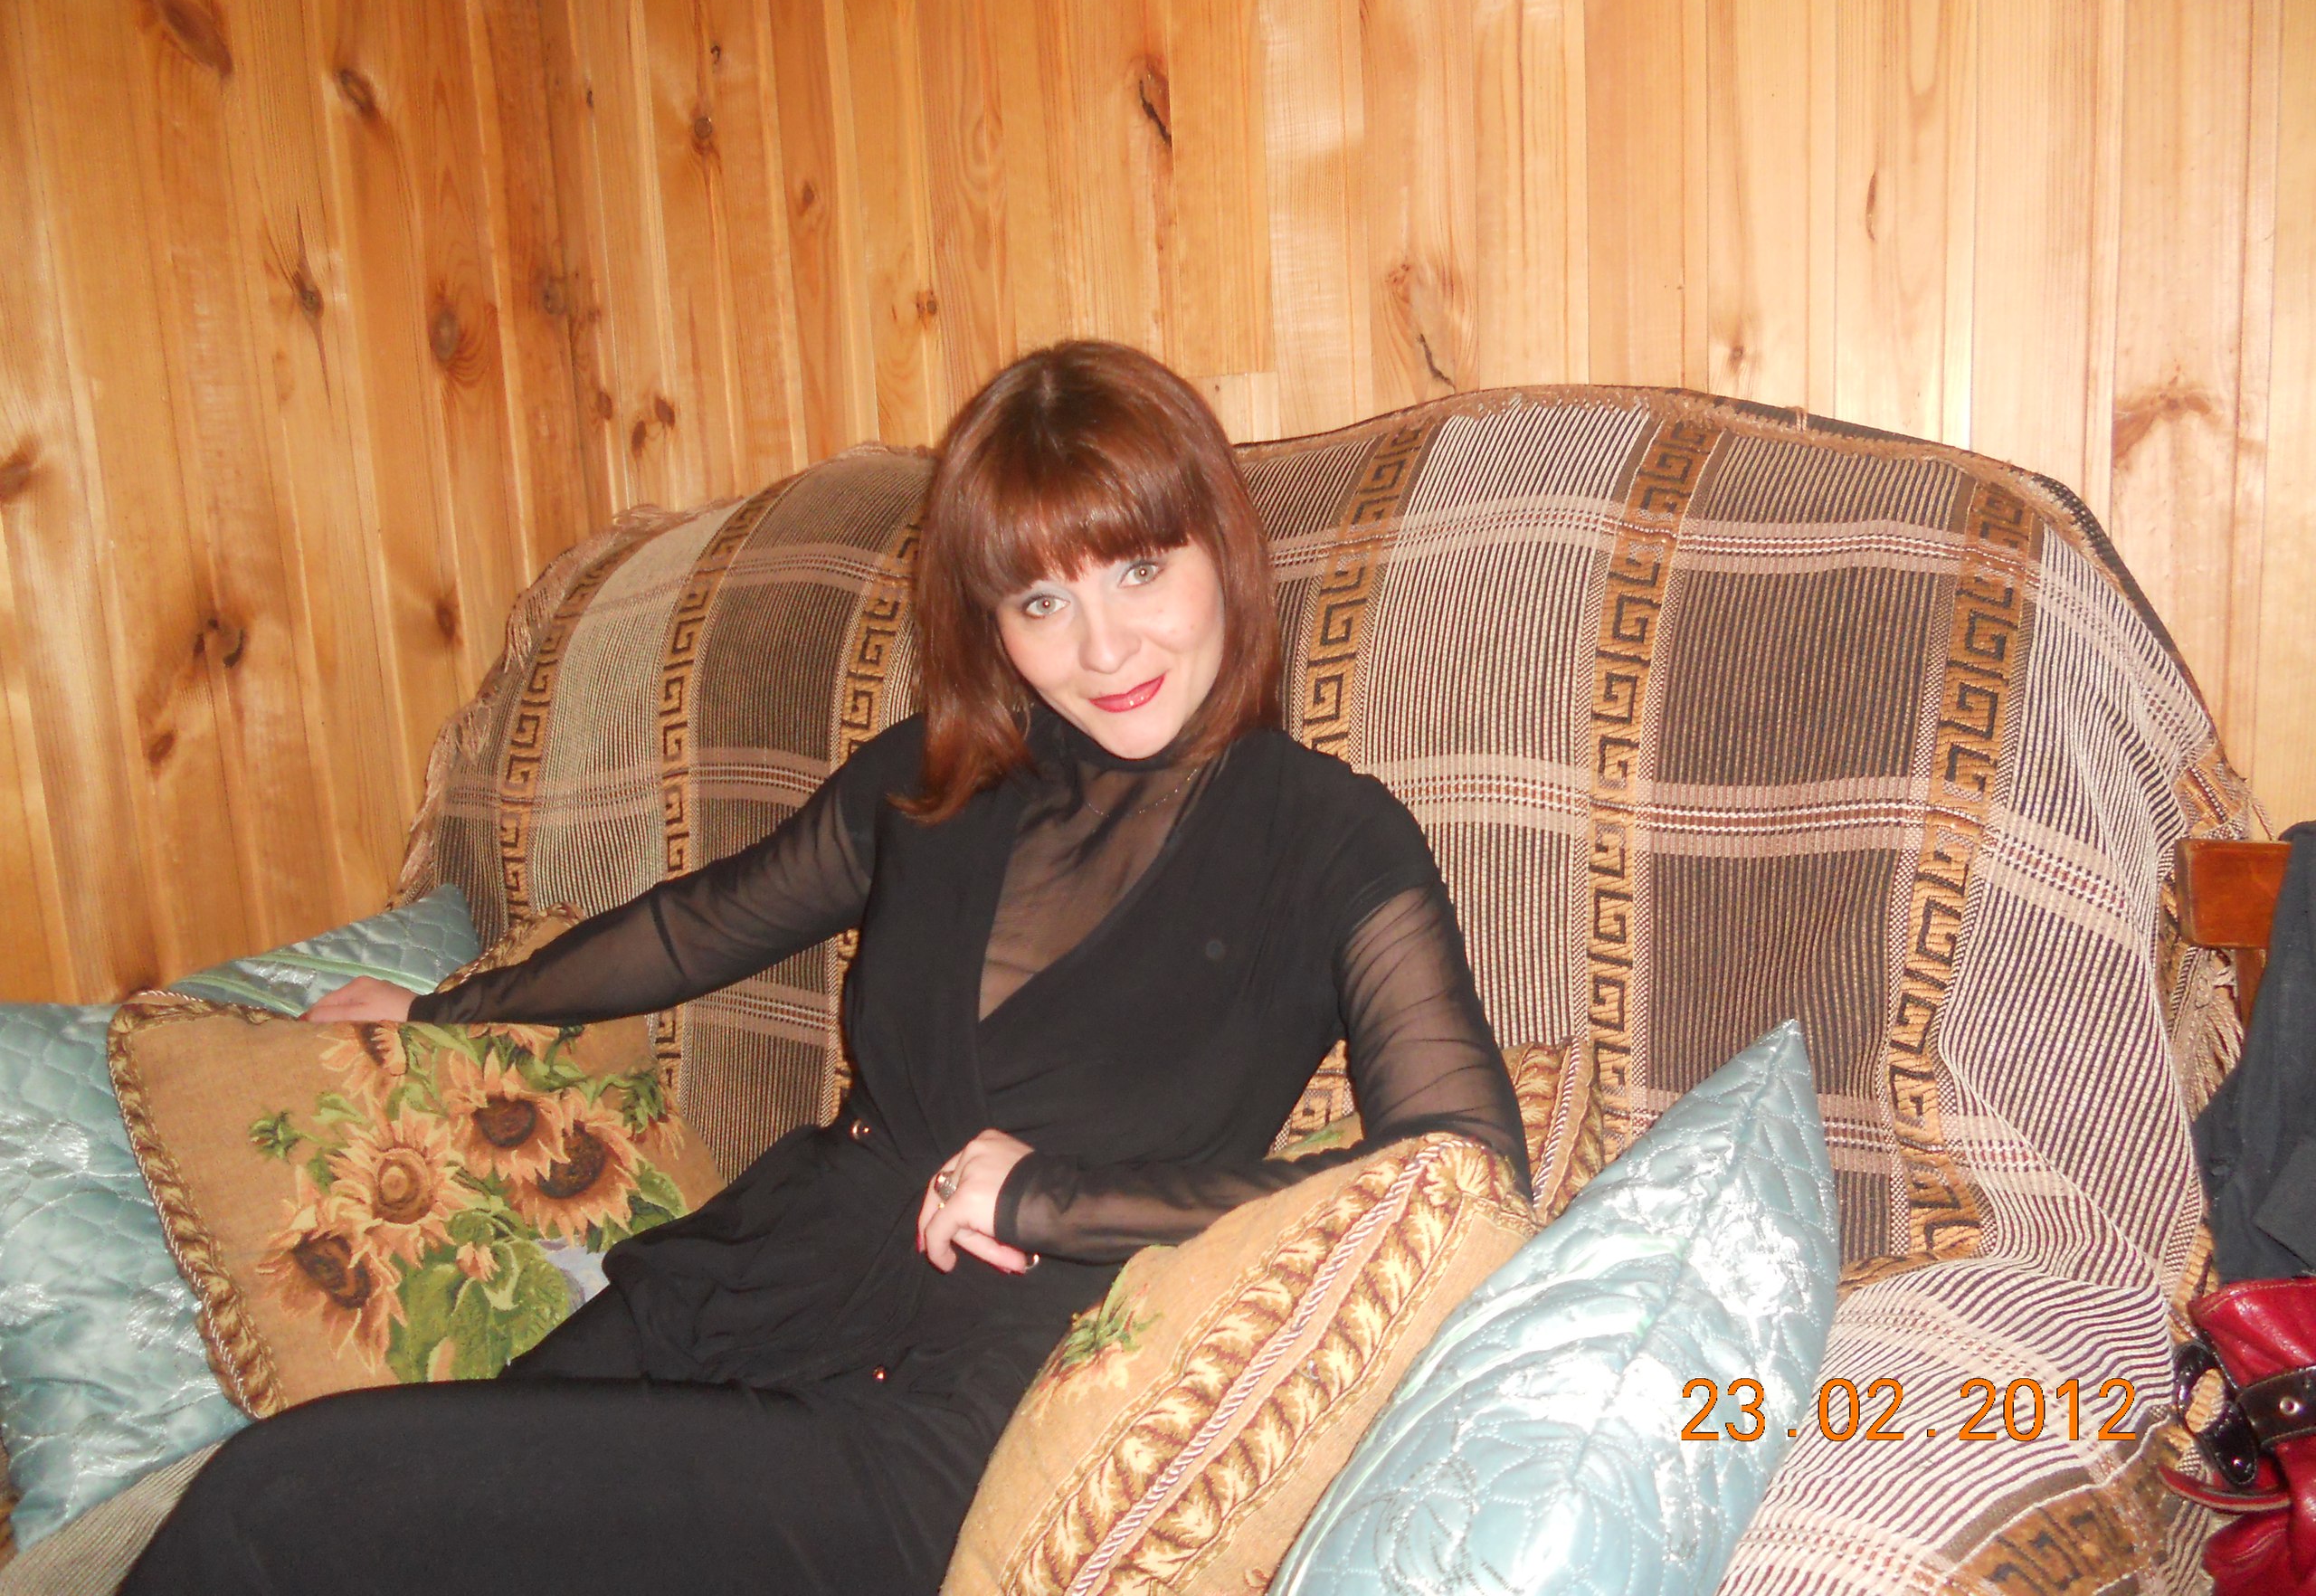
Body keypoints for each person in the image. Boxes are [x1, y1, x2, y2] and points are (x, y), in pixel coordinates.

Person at [122, 341, 1526, 1596]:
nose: (1104, 648)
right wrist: (442, 1011)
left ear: (1220, 547)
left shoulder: (1330, 841)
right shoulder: (940, 778)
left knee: (279, 1498)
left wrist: (1057, 1196)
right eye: (1041, 599)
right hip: (752, 1287)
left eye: (1140, 570)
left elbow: (1461, 1172)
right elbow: (703, 924)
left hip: (943, 1414)